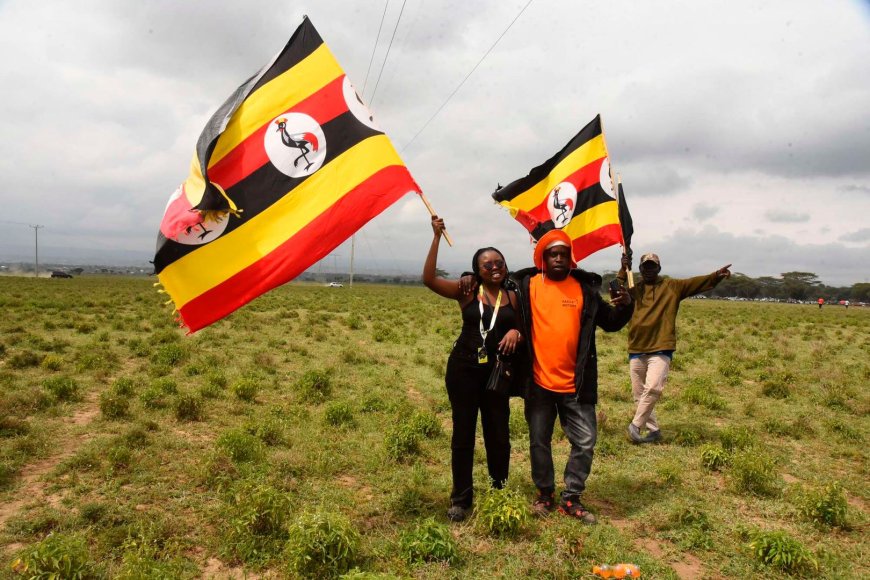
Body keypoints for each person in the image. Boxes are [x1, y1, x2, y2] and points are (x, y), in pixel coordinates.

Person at [511, 229, 633, 523]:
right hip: (538, 382)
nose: (558, 258)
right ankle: (544, 494)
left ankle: (571, 497)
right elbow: (490, 281)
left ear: (571, 259)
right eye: (553, 253)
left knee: (586, 441)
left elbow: (612, 323)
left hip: (575, 386)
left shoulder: (585, 290)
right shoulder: (525, 285)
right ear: (542, 257)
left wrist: (628, 304)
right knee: (539, 441)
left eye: (564, 254)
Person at [423, 215, 523, 522]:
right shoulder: (467, 290)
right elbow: (428, 280)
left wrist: (516, 332)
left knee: (499, 434)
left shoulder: (515, 295)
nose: (494, 267)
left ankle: (499, 492)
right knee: (463, 434)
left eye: (499, 262)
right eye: (487, 264)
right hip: (464, 370)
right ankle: (461, 499)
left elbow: (525, 326)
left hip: (497, 373)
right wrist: (437, 238)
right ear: (477, 269)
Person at [616, 253, 731, 444]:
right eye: (645, 267)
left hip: (661, 347)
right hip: (636, 347)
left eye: (652, 266)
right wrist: (622, 268)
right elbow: (615, 291)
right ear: (640, 269)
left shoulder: (672, 287)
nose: (649, 270)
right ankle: (654, 430)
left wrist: (716, 275)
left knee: (652, 388)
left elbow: (696, 283)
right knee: (639, 395)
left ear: (659, 269)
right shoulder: (633, 289)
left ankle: (635, 426)